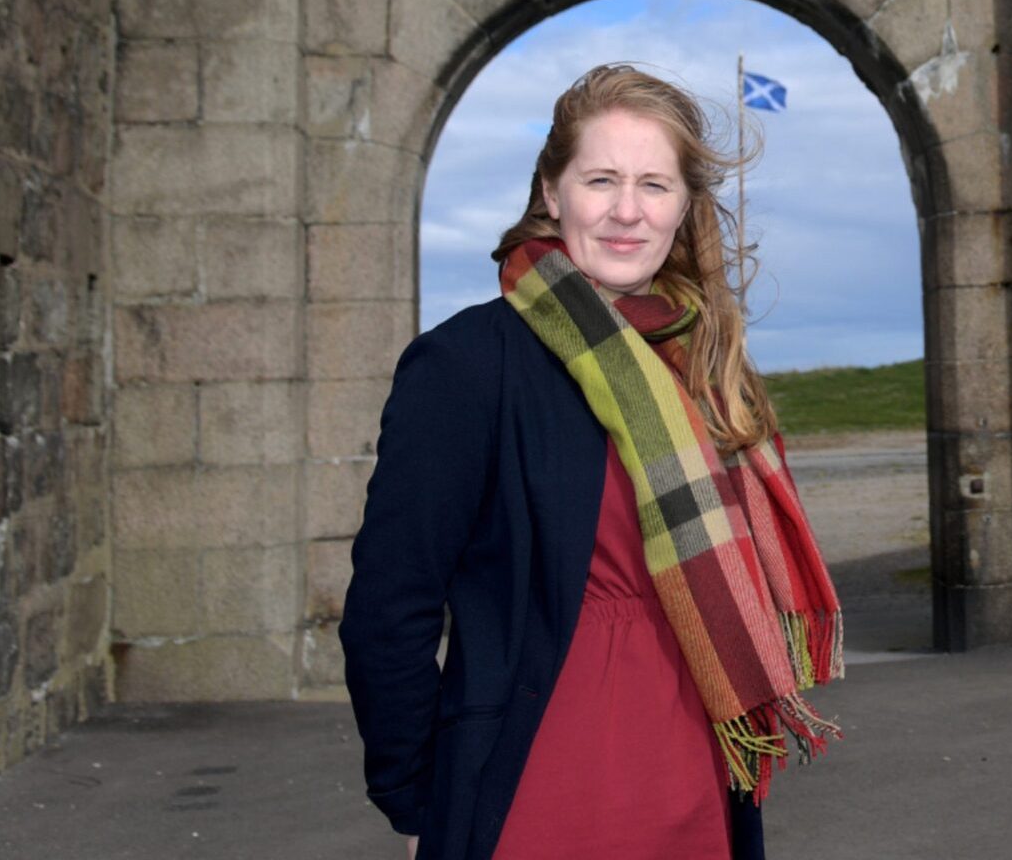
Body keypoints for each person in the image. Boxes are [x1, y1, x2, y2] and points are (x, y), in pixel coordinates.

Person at [340, 64, 843, 860]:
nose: (626, 211)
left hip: (698, 770)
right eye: (600, 179)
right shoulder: (468, 363)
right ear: (552, 189)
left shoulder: (704, 365)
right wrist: (417, 800)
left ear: (684, 206)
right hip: (543, 779)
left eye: (654, 184)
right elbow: (388, 607)